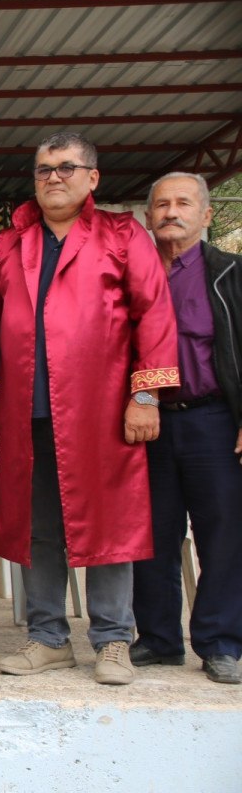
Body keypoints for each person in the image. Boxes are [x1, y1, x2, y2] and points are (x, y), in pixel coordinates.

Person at [0, 132, 180, 686]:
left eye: (66, 168)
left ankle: (113, 640)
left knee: (110, 521)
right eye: (43, 169)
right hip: (26, 410)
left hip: (102, 408)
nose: (53, 178)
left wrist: (144, 396)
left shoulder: (121, 235)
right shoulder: (8, 246)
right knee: (36, 526)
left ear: (93, 177)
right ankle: (48, 638)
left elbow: (153, 314)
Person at [131, 172, 242, 685]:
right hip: (144, 422)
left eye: (183, 203)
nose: (170, 212)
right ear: (148, 214)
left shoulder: (230, 275)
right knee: (151, 534)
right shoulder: (132, 272)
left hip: (214, 419)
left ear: (207, 214)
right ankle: (157, 639)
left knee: (222, 533)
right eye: (161, 204)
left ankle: (220, 642)